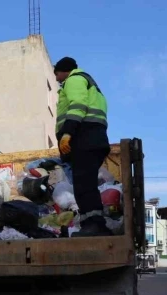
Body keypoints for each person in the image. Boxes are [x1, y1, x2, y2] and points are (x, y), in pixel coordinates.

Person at [54, 56, 111, 237]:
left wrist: (67, 133)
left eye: (57, 74)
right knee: (86, 184)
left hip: (84, 139)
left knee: (84, 186)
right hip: (93, 139)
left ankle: (94, 226)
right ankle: (94, 224)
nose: (56, 79)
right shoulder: (89, 84)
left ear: (64, 71)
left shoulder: (74, 80)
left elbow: (78, 106)